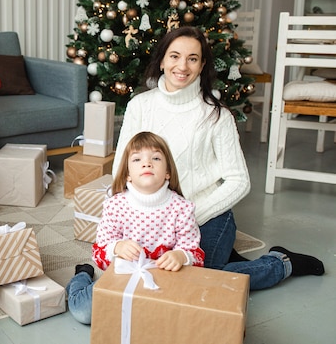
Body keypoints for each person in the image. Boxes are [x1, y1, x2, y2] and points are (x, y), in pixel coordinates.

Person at [113, 26, 325, 291]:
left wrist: (188, 218)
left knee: (194, 282)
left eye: (192, 58)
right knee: (146, 276)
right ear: (162, 60)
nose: (182, 66)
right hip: (153, 214)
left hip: (207, 215)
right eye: (175, 56)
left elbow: (239, 181)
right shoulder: (140, 106)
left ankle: (281, 262)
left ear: (202, 65)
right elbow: (120, 168)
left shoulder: (216, 115)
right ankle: (231, 256)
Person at [66, 131, 205, 325]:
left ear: (168, 172)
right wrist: (118, 247)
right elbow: (101, 250)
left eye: (155, 158)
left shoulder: (182, 208)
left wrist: (181, 256)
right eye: (137, 159)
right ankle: (82, 275)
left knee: (183, 317)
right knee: (84, 312)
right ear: (127, 175)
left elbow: (194, 252)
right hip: (123, 277)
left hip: (164, 282)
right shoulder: (116, 205)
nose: (147, 163)